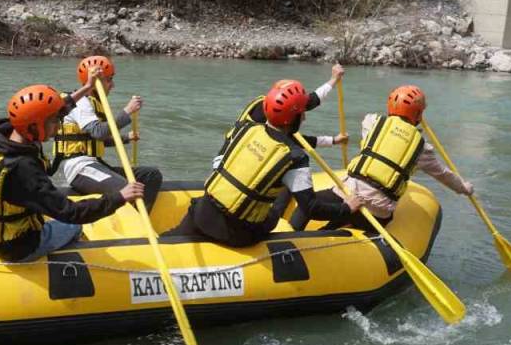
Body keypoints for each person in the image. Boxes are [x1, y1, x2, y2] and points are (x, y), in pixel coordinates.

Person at [162, 81, 362, 247]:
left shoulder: (245, 130)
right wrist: (346, 208)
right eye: (302, 114)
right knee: (274, 214)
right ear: (291, 120)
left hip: (201, 211)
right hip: (237, 232)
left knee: (167, 240)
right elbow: (311, 208)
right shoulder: (295, 157)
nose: (305, 116)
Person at [0, 80, 145, 262]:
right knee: (74, 227)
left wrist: (85, 88)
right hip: (16, 246)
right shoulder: (23, 169)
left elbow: (60, 109)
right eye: (54, 121)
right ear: (34, 126)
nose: (58, 127)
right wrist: (119, 196)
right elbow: (71, 212)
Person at [289, 85, 473, 234]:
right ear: (418, 115)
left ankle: (294, 234)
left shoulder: (371, 122)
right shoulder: (422, 148)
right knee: (354, 215)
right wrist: (464, 188)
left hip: (346, 193)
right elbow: (443, 175)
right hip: (377, 212)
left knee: (307, 207)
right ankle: (330, 230)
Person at [53, 55, 163, 210]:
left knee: (152, 175)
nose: (113, 85)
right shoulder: (80, 103)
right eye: (109, 79)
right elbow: (98, 132)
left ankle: (140, 219)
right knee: (127, 188)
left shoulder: (94, 103)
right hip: (79, 168)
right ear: (96, 80)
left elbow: (99, 140)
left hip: (96, 164)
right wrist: (127, 111)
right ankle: (133, 226)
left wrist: (127, 138)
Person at [221, 63, 350, 151]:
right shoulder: (267, 130)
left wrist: (333, 79)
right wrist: (332, 141)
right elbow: (297, 141)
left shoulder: (269, 105)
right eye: (302, 114)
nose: (304, 118)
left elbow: (311, 101)